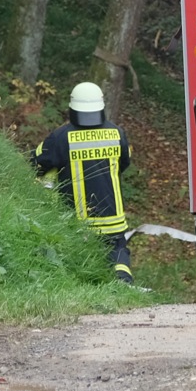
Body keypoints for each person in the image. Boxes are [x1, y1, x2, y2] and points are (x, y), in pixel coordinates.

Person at [31, 81, 135, 284]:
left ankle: (83, 287)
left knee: (79, 259)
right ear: (101, 107)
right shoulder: (117, 133)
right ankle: (124, 286)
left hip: (76, 222)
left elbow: (36, 163)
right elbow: (124, 163)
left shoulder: (61, 137)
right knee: (118, 253)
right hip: (113, 219)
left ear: (72, 108)